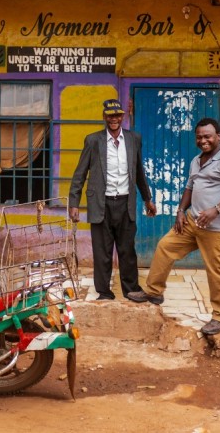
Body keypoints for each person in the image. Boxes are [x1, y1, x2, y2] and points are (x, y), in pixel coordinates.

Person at [127, 118, 220, 336]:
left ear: (218, 137)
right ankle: (154, 292)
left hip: (217, 228)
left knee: (217, 270)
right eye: (200, 137)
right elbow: (189, 187)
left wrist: (216, 210)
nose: (203, 140)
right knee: (165, 246)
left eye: (208, 136)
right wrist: (181, 211)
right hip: (193, 221)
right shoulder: (196, 160)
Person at [69, 99, 157, 300]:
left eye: (117, 115)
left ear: (122, 117)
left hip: (126, 203)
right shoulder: (93, 141)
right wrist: (74, 203)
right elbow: (79, 174)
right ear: (104, 117)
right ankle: (104, 293)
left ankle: (131, 290)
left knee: (127, 250)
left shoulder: (134, 138)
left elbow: (139, 172)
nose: (114, 119)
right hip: (102, 204)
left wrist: (147, 199)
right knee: (102, 253)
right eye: (110, 116)